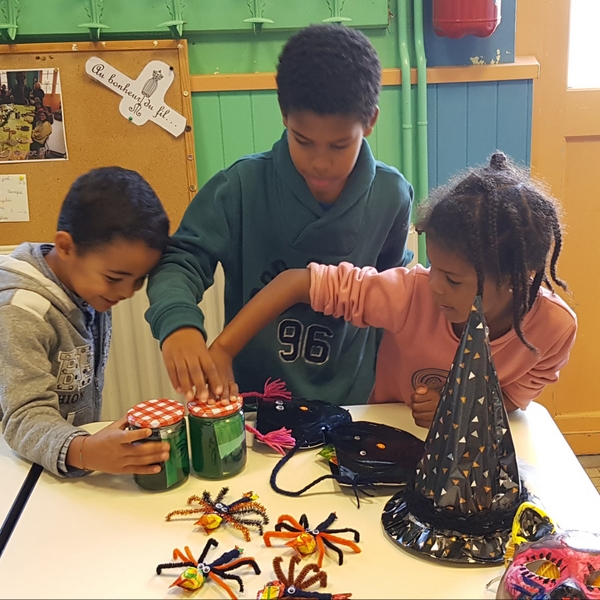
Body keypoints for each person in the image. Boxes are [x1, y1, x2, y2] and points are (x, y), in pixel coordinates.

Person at [146, 24, 414, 406]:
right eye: (303, 141)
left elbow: (395, 297)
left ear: (370, 122)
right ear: (284, 114)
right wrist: (179, 326)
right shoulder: (239, 187)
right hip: (253, 401)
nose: (320, 163)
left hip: (355, 403)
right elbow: (181, 260)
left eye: (340, 145)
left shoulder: (392, 195)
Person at [208, 152, 577, 428]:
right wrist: (223, 349)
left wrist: (457, 407)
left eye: (453, 279)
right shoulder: (410, 294)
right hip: (384, 433)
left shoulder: (554, 329)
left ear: (515, 281)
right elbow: (295, 282)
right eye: (434, 267)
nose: (434, 285)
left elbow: (512, 399)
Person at [0, 167, 172, 477]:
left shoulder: (87, 286)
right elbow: (24, 417)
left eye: (138, 280)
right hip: (22, 473)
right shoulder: (20, 310)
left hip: (61, 462)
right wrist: (83, 450)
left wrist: (86, 449)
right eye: (115, 278)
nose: (126, 292)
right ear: (65, 247)